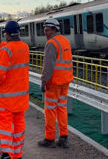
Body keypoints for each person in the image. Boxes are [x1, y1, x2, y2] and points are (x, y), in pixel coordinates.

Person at [0, 21, 29, 159]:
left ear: (6, 34)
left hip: (7, 97)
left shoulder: (5, 50)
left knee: (6, 124)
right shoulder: (25, 47)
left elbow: (0, 75)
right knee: (19, 124)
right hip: (22, 96)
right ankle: (17, 154)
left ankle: (7, 152)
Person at [38, 18, 73, 148]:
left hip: (54, 82)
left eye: (47, 30)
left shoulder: (51, 43)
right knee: (61, 108)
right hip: (65, 81)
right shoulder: (65, 41)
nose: (45, 33)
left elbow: (48, 65)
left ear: (54, 29)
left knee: (50, 110)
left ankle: (49, 138)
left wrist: (44, 81)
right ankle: (64, 137)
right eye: (45, 30)